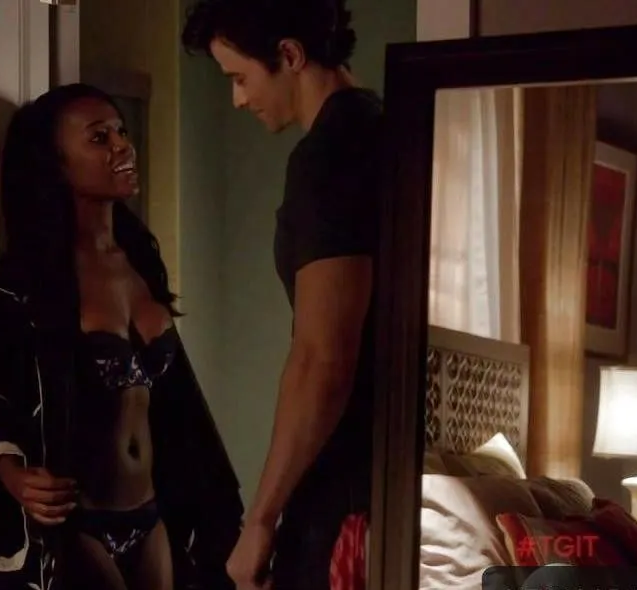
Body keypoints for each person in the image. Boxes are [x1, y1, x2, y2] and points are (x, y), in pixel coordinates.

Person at [0, 83, 244, 590]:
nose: (123, 146)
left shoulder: (140, 263)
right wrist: (13, 476)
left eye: (122, 132)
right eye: (99, 137)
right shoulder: (20, 283)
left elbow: (179, 411)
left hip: (152, 517)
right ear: (57, 164)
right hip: (78, 522)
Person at [181, 1, 384, 589]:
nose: (237, 99)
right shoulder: (385, 127)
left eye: (240, 78)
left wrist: (260, 521)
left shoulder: (330, 156)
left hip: (345, 488)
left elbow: (323, 357)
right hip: (380, 473)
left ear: (290, 55)